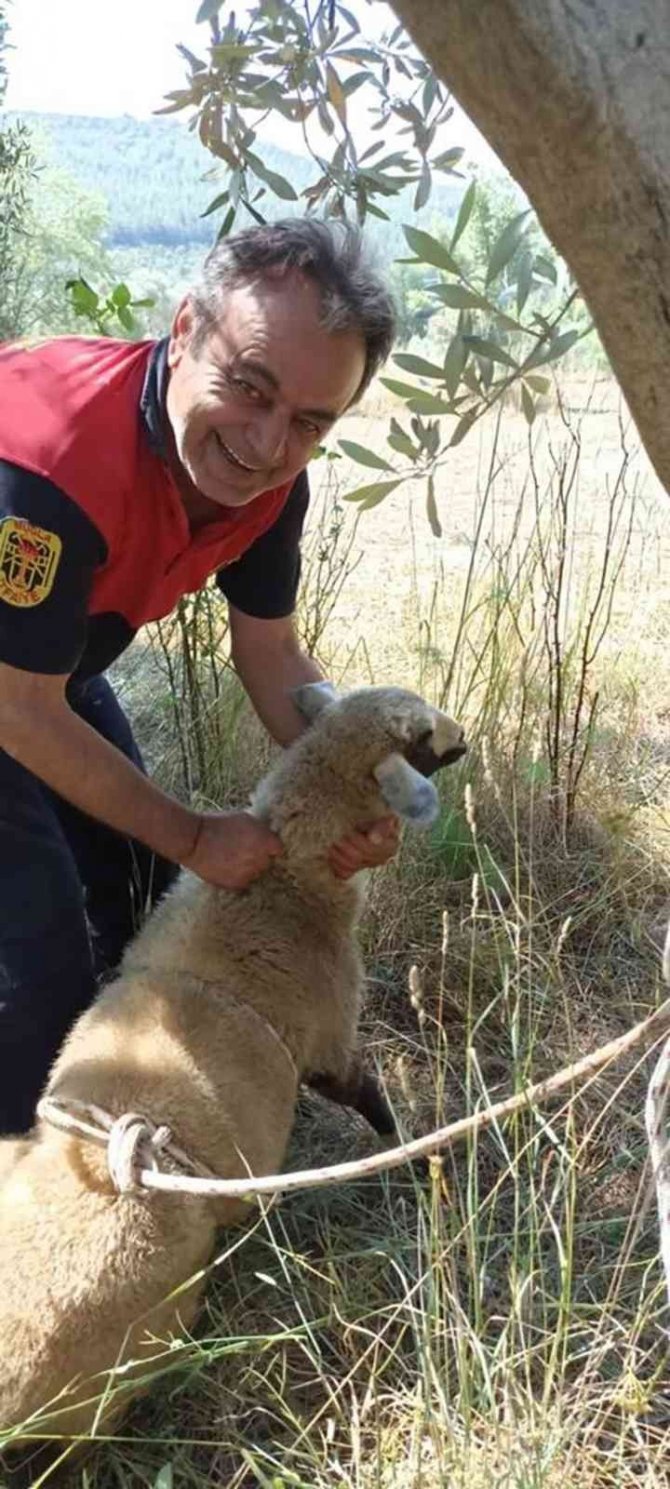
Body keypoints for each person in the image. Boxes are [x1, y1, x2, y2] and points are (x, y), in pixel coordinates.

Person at [0, 217, 400, 1136]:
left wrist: (364, 784)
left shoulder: (269, 487)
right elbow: (17, 712)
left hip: (37, 670)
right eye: (248, 388)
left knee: (134, 891)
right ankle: (29, 1190)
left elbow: (271, 655)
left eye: (308, 422)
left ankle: (112, 1112)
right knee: (36, 961)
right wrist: (192, 832)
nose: (264, 445)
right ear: (183, 330)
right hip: (15, 687)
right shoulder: (49, 460)